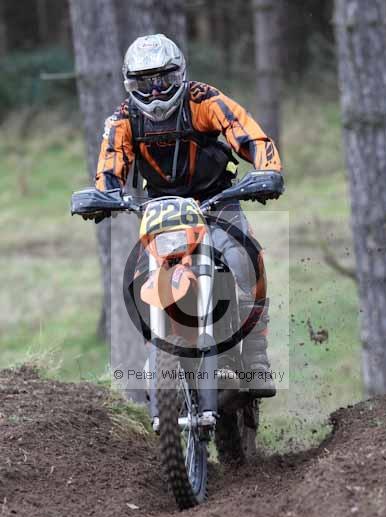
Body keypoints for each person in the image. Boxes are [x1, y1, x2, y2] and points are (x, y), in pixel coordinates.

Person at [95, 33, 283, 397]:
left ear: (179, 74)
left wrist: (267, 170)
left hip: (217, 199)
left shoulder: (204, 100)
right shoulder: (123, 119)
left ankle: (255, 356)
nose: (154, 92)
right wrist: (103, 196)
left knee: (243, 259)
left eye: (162, 80)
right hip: (162, 209)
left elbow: (248, 133)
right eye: (144, 84)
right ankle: (158, 353)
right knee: (141, 276)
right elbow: (109, 165)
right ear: (130, 85)